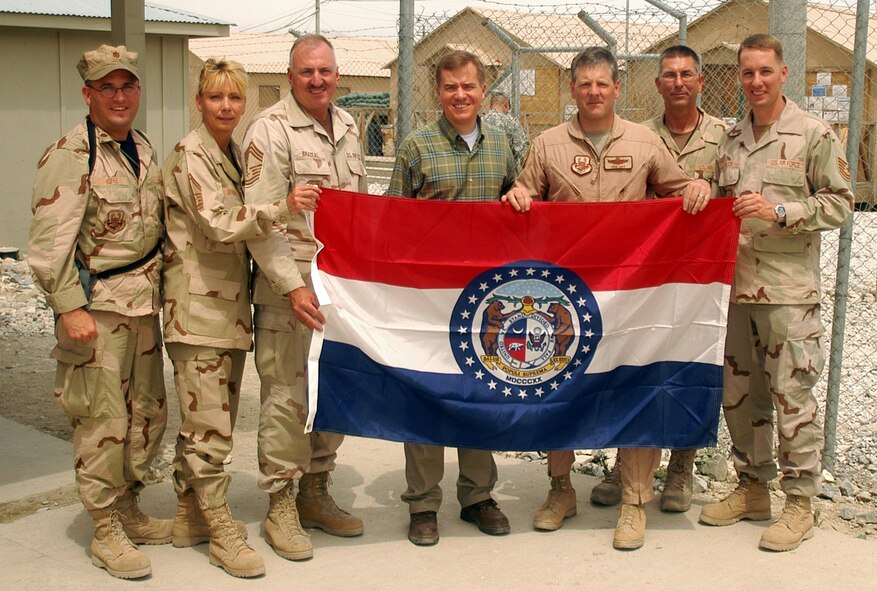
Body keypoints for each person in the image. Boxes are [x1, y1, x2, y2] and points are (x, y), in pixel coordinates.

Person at [503, 46, 711, 551]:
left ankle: (635, 503)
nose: (594, 92)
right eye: (584, 84)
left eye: (603, 83)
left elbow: (678, 189)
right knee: (558, 388)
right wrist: (518, 196)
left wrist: (699, 186)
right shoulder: (548, 145)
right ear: (573, 90)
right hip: (567, 299)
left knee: (635, 388)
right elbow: (524, 195)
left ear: (617, 89)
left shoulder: (644, 142)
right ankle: (560, 491)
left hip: (632, 298)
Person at [699, 34, 853, 551]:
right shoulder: (729, 139)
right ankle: (752, 488)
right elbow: (718, 203)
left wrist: (783, 211)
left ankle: (801, 502)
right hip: (737, 293)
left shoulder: (813, 134)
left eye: (765, 71)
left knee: (792, 397)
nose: (756, 81)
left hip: (788, 295)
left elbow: (840, 203)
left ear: (784, 73)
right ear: (738, 77)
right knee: (740, 398)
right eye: (747, 73)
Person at [162, 59, 313, 577]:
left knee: (210, 418)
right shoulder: (191, 154)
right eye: (214, 98)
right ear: (198, 101)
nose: (225, 107)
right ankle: (221, 526)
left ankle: (189, 515)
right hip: (198, 312)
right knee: (208, 427)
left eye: (233, 98)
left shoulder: (227, 152)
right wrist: (281, 208)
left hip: (226, 313)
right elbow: (220, 222)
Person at [27, 44, 169, 579]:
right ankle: (104, 524)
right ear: (87, 94)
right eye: (106, 87)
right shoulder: (71, 153)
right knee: (101, 420)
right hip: (98, 313)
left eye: (127, 86)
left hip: (144, 308)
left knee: (147, 413)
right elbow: (46, 246)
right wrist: (69, 308)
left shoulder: (144, 149)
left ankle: (128, 503)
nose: (119, 96)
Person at [241, 34, 366, 562]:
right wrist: (290, 287)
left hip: (336, 288)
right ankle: (282, 503)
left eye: (326, 71)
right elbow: (259, 220)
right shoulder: (270, 131)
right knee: (286, 398)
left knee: (330, 393)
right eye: (306, 71)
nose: (318, 79)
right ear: (290, 76)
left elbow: (357, 212)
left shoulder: (350, 127)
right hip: (288, 288)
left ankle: (316, 489)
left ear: (338, 75)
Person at [589, 45, 729, 515]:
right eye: (669, 75)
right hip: (646, 277)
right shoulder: (638, 136)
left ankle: (681, 468)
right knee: (636, 366)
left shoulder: (723, 137)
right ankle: (623, 466)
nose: (677, 82)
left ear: (700, 81)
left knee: (687, 363)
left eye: (686, 74)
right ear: (657, 84)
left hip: (698, 275)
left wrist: (708, 189)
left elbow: (731, 198)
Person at [387, 49, 517, 547]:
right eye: (449, 87)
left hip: (488, 298)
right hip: (429, 297)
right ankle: (422, 502)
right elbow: (393, 222)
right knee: (424, 392)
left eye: (468, 86)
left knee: (479, 391)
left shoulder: (505, 143)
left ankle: (478, 496)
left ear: (483, 89)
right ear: (437, 92)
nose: (459, 95)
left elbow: (524, 201)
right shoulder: (415, 148)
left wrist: (519, 198)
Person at [482, 92, 530, 171]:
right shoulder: (512, 122)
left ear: (490, 106)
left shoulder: (480, 121)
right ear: (507, 105)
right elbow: (523, 151)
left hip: (484, 170)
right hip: (506, 172)